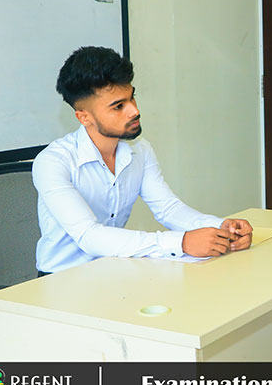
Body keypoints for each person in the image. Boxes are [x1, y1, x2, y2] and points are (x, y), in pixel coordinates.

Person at [33, 46, 252, 274]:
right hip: (61, 279)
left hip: (114, 269)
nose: (134, 111)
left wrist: (222, 228)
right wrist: (182, 242)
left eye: (132, 98)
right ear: (84, 117)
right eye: (118, 106)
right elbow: (90, 236)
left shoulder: (139, 149)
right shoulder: (52, 162)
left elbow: (168, 209)